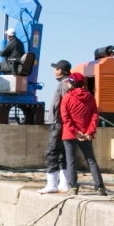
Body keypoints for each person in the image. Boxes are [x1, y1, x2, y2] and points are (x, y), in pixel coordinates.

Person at [60, 72, 107, 196]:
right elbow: (95, 116)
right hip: (86, 135)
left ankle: (73, 188)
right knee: (91, 160)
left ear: (72, 83)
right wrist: (89, 132)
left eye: (69, 82)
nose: (67, 84)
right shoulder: (90, 97)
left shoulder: (67, 98)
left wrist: (76, 132)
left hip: (70, 134)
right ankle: (100, 188)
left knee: (71, 161)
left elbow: (65, 118)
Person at [39, 59, 73, 194]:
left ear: (60, 70)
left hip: (58, 123)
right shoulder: (69, 83)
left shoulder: (63, 85)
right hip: (64, 123)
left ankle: (52, 184)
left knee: (51, 152)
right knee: (64, 153)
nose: (54, 71)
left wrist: (57, 120)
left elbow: (62, 105)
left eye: (56, 68)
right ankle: (64, 184)